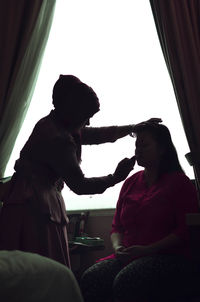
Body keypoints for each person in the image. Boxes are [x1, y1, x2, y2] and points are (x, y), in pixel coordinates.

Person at [0, 74, 158, 268]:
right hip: (34, 208)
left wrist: (131, 128)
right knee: (40, 272)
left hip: (26, 201)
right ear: (74, 112)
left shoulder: (53, 123)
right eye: (87, 117)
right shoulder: (58, 138)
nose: (89, 122)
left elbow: (91, 134)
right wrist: (115, 177)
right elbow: (80, 185)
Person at [80, 122, 200, 302]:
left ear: (162, 149)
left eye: (144, 145)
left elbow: (184, 232)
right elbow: (117, 227)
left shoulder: (179, 183)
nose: (138, 150)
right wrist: (118, 247)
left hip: (168, 256)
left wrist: (148, 249)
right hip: (129, 255)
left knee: (128, 280)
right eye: (136, 145)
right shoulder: (131, 182)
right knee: (92, 277)